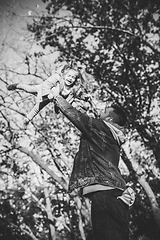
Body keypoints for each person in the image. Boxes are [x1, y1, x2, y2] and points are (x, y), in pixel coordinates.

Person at [50, 86, 135, 240]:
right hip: (113, 195)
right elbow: (93, 114)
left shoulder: (101, 128)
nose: (99, 112)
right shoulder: (109, 133)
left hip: (106, 197)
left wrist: (56, 96)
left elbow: (77, 117)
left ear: (108, 119)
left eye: (104, 111)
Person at [7, 63, 95, 127]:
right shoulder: (57, 78)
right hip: (42, 90)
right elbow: (47, 84)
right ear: (64, 76)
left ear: (75, 80)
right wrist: (48, 94)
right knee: (28, 89)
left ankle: (27, 119)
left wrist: (85, 97)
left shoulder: (72, 89)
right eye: (69, 76)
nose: (70, 79)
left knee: (38, 107)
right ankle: (17, 85)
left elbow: (79, 94)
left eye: (73, 78)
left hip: (51, 98)